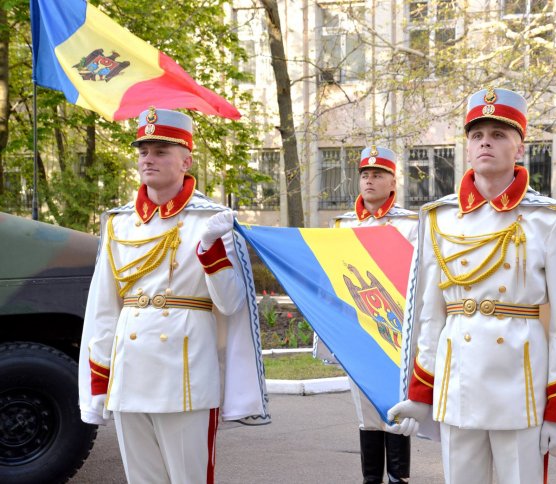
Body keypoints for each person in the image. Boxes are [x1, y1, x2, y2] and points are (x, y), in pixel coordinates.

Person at [387, 88, 556, 484]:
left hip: (521, 383)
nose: (485, 141)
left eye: (499, 134)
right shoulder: (438, 218)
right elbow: (429, 317)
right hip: (456, 379)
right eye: (477, 134)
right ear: (466, 147)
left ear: (519, 148)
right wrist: (419, 393)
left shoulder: (549, 219)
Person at [78, 107, 269, 483]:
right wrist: (99, 382)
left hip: (185, 373)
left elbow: (231, 304)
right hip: (130, 371)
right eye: (143, 151)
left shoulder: (211, 220)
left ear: (186, 160)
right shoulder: (119, 222)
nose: (149, 159)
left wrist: (212, 249)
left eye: (161, 151)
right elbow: (103, 309)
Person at [315, 145, 418, 484]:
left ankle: (398, 478)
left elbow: (417, 281)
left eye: (378, 174)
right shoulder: (343, 225)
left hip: (396, 330)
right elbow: (329, 282)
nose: (370, 180)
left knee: (395, 409)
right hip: (357, 331)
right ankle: (371, 479)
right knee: (366, 413)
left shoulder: (409, 225)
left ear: (393, 182)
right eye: (365, 175)